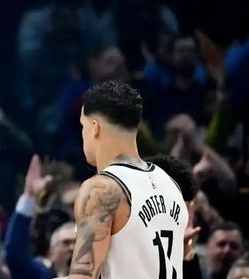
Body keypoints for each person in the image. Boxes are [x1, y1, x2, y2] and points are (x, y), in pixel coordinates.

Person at [59, 80, 188, 278]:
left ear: (94, 127)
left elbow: (82, 277)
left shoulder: (102, 189)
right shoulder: (170, 183)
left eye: (82, 126)